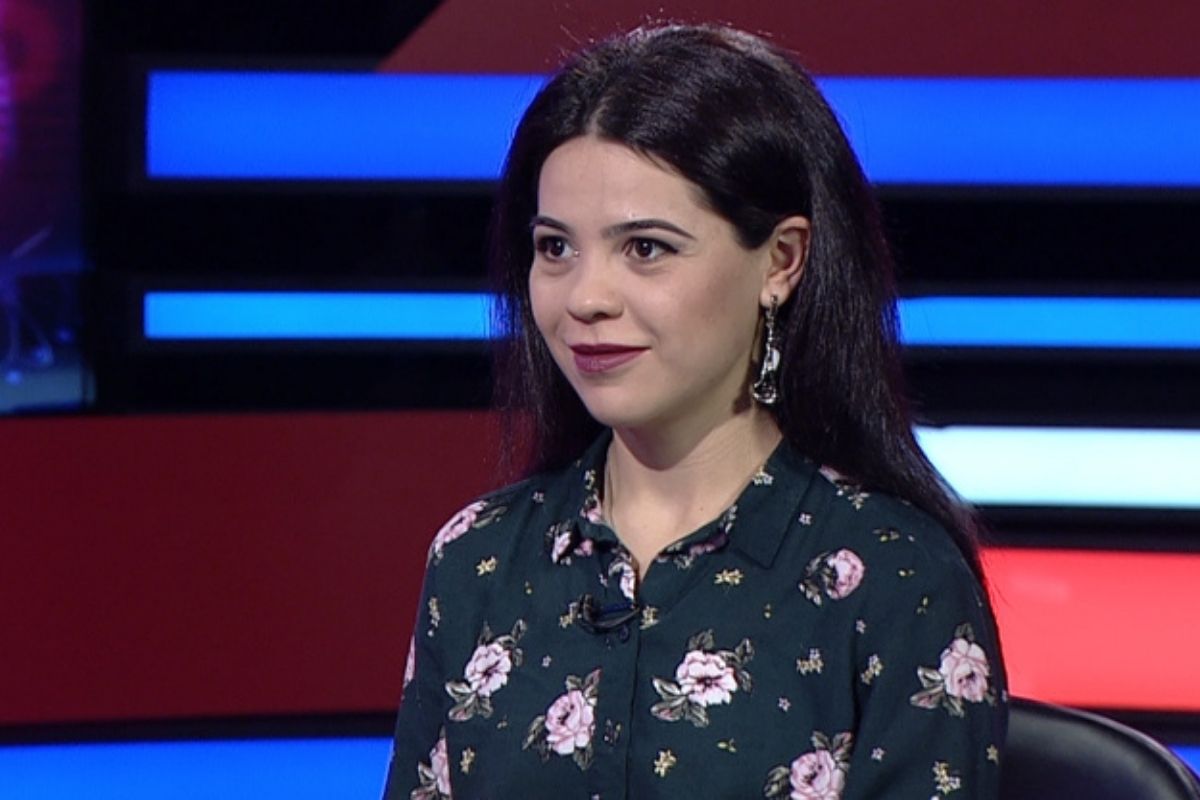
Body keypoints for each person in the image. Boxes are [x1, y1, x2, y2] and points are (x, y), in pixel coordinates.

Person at [383, 23, 1006, 800]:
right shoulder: (477, 560)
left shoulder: (895, 579)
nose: (586, 298)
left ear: (781, 261)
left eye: (645, 248)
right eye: (555, 248)